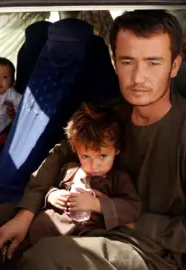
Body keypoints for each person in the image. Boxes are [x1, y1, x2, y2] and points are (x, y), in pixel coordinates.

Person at [0, 10, 186, 270]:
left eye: (153, 62)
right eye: (127, 62)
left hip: (150, 249)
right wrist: (27, 212)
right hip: (89, 220)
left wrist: (125, 217)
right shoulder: (112, 113)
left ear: (175, 65)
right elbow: (60, 153)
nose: (138, 77)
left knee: (46, 258)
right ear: (114, 62)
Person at [28, 103, 141, 246]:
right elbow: (52, 185)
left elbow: (133, 208)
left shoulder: (117, 178)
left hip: (91, 236)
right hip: (55, 227)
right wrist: (52, 195)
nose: (93, 166)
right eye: (85, 157)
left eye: (102, 156)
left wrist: (96, 204)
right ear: (75, 150)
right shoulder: (70, 170)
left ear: (116, 150)